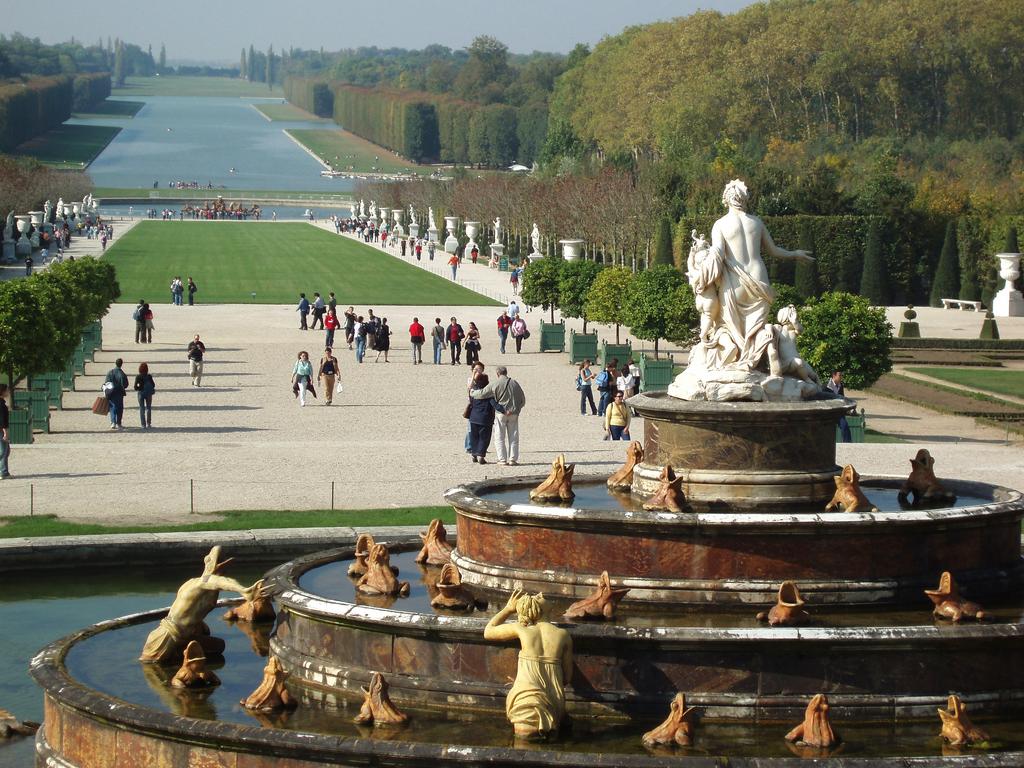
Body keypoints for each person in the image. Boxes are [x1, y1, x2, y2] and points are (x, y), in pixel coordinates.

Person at [140, 546, 267, 663]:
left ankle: (180, 656)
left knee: (218, 646)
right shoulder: (199, 582)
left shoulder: (208, 590)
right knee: (153, 665)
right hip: (167, 636)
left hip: (185, 635)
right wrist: (244, 591)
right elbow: (218, 581)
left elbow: (195, 609)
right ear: (209, 565)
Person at [483, 589, 572, 739]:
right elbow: (567, 679)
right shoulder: (563, 635)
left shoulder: (522, 630)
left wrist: (508, 609)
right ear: (538, 609)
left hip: (525, 698)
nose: (541, 594)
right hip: (554, 702)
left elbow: (488, 631)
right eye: (536, 597)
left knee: (522, 747)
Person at [470, 365, 526, 466]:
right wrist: (517, 410)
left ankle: (502, 459)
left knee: (499, 437)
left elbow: (482, 393)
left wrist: (472, 392)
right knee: (513, 437)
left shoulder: (495, 383)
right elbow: (522, 399)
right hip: (514, 414)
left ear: (497, 373)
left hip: (501, 413)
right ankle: (513, 459)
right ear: (506, 372)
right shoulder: (515, 383)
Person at [467, 371, 495, 464]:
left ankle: (474, 454)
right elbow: (494, 404)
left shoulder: (473, 392)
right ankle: (481, 456)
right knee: (484, 438)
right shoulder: (489, 394)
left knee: (474, 436)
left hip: (474, 417)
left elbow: (470, 401)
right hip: (485, 419)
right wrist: (503, 410)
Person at [827, 370, 852, 442]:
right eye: (840, 375)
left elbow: (842, 398)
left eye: (841, 375)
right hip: (829, 412)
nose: (841, 377)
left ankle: (848, 444)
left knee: (845, 426)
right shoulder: (826, 386)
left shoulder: (841, 386)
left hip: (838, 412)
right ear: (834, 376)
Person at [103, 358, 129, 430]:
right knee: (120, 408)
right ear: (121, 364)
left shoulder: (110, 372)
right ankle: (119, 423)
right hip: (120, 393)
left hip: (111, 392)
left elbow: (107, 382)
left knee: (112, 407)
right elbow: (126, 384)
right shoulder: (122, 373)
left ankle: (113, 422)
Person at [134, 362, 156, 429]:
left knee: (142, 408)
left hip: (141, 393)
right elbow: (153, 384)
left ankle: (143, 424)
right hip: (148, 393)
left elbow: (135, 387)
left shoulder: (138, 376)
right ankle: (148, 423)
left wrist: (139, 388)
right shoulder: (149, 376)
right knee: (148, 408)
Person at [0, 383, 10, 479]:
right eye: (7, 390)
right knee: (3, 452)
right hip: (1, 431)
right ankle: (3, 472)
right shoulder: (2, 405)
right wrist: (6, 433)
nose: (8, 391)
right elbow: (3, 420)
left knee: (6, 451)